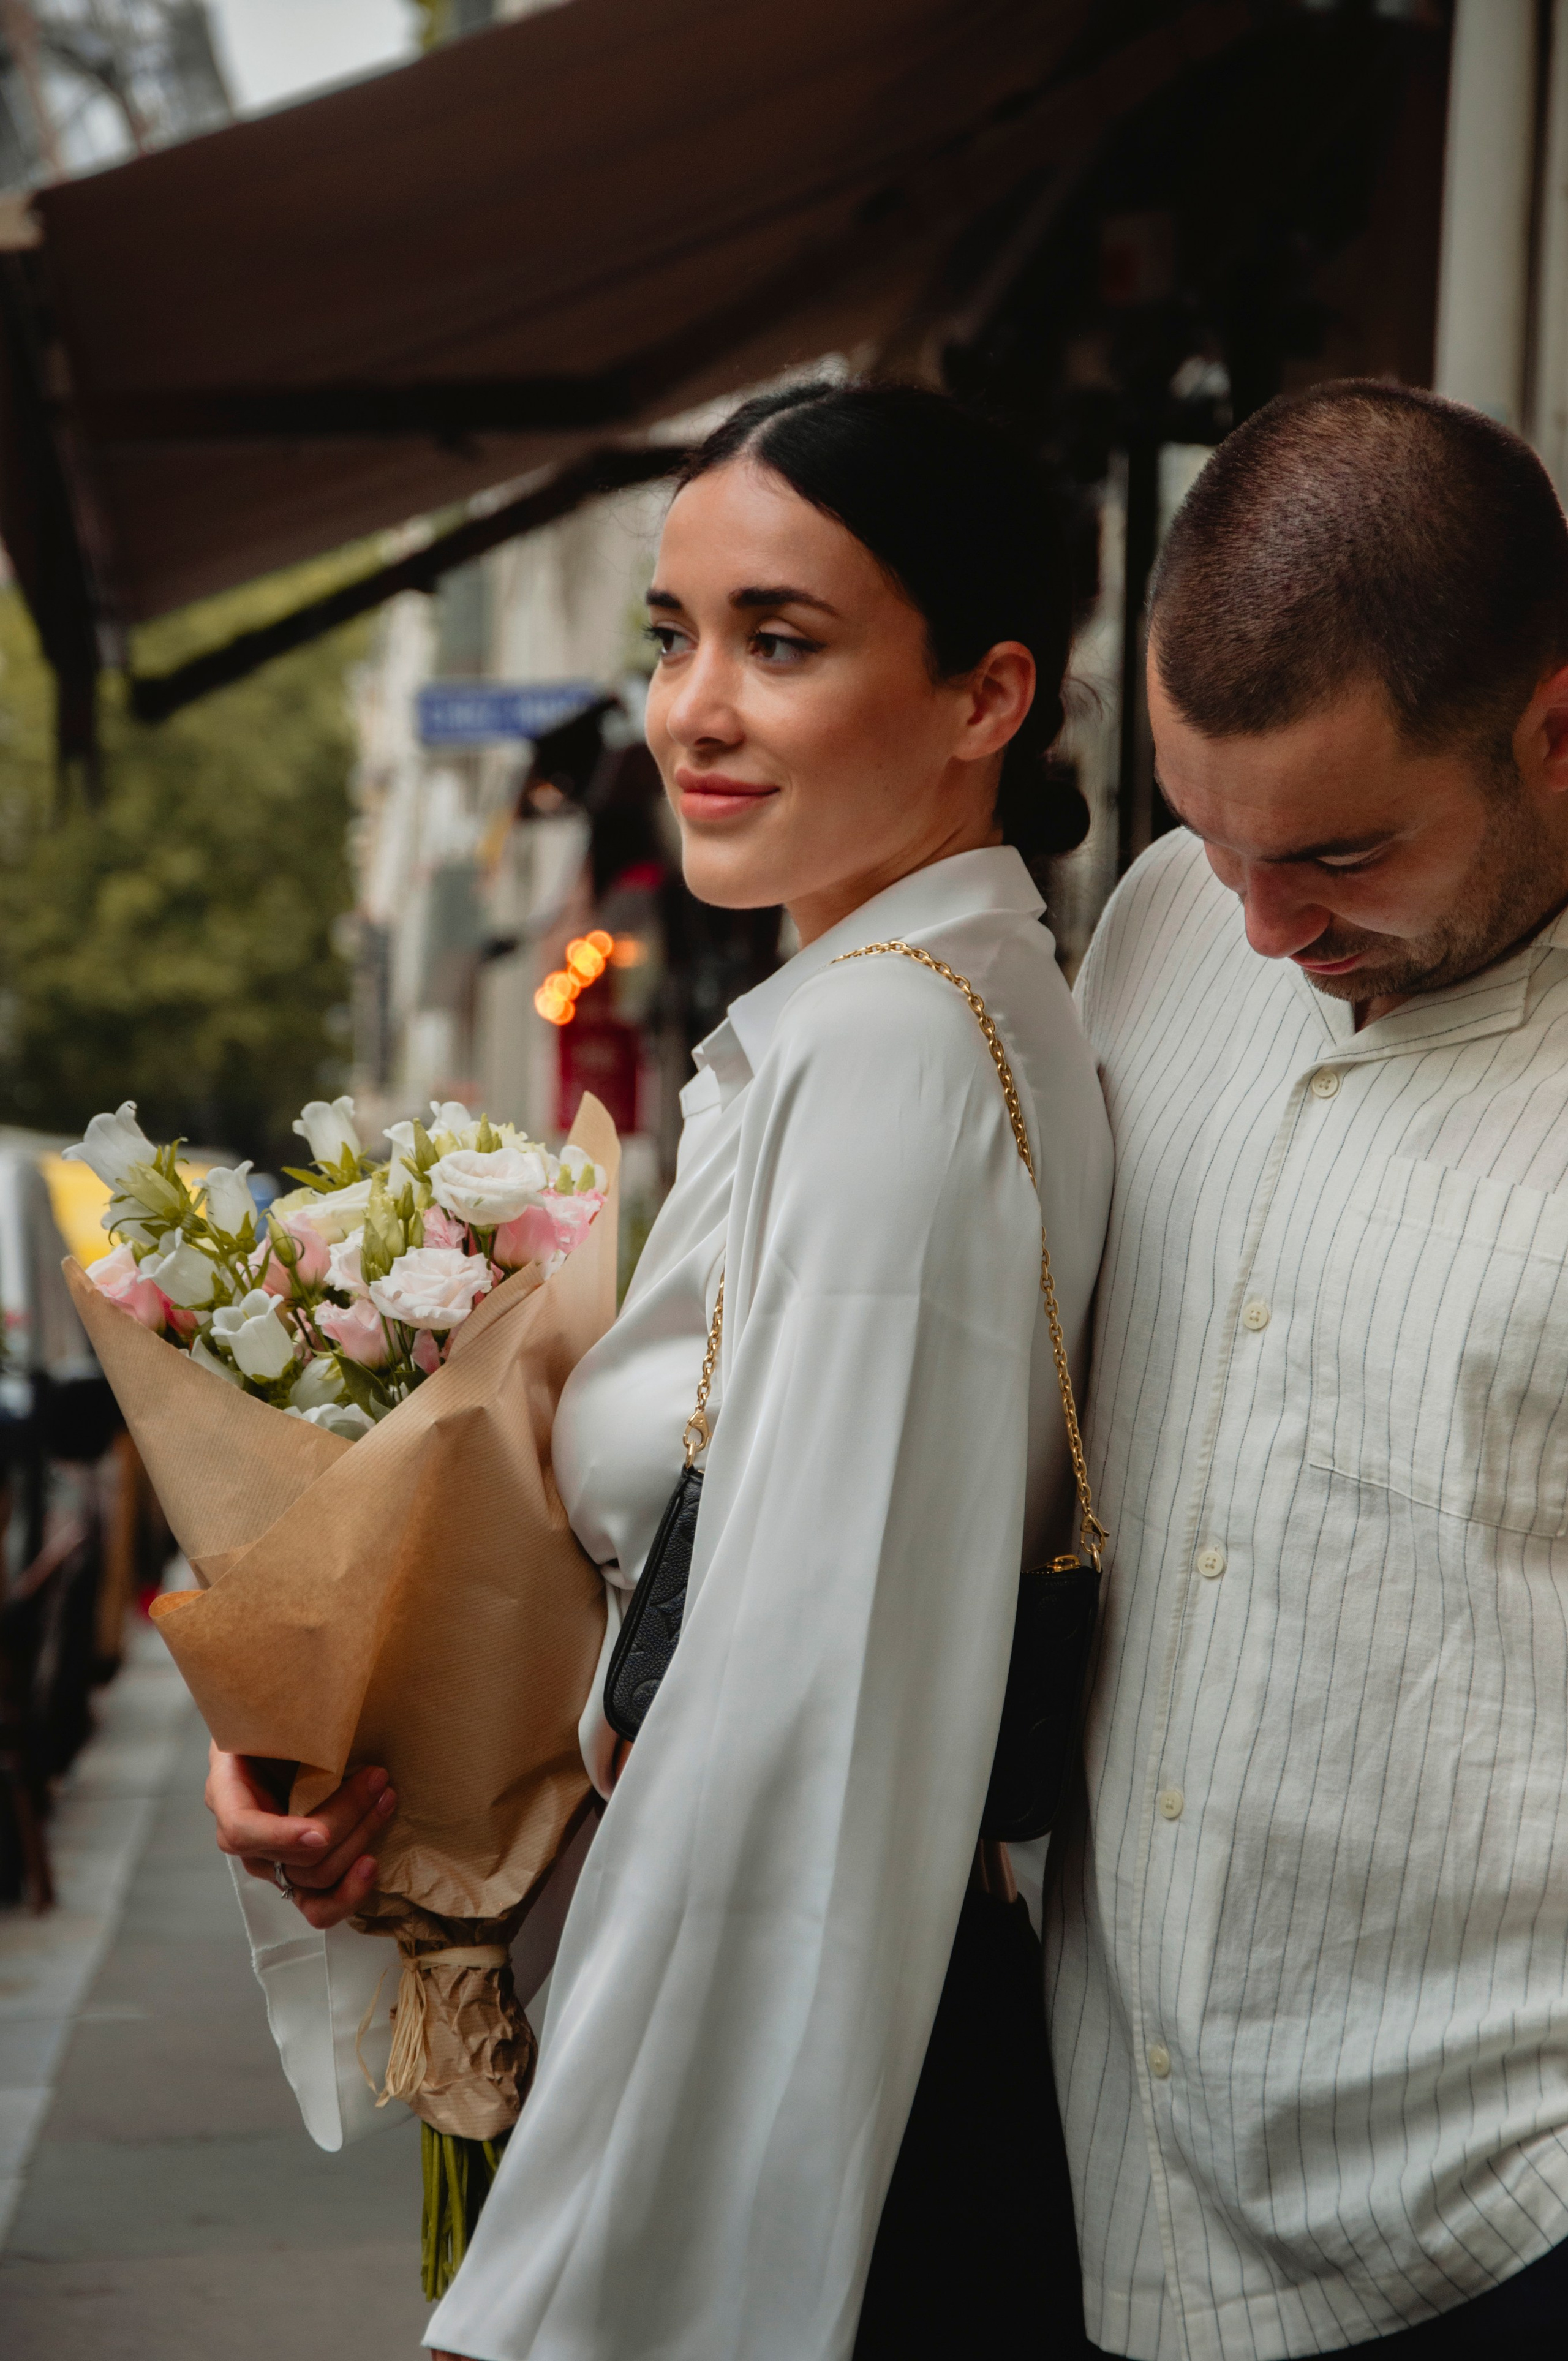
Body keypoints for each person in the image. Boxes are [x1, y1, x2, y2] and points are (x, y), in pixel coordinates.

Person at [206, 380, 1112, 2357]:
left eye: (780, 642)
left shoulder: (892, 1063)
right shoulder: (877, 1024)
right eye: (671, 636)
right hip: (791, 2060)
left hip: (800, 2133)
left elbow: (788, 1758)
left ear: (987, 697)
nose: (690, 709)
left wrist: (566, 2301)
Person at [1051, 379, 1568, 2360]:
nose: (1263, 928)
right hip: (1119, 2199)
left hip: (1497, 2221)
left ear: (1551, 724)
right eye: (1207, 832)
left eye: (1340, 852)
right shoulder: (1164, 931)